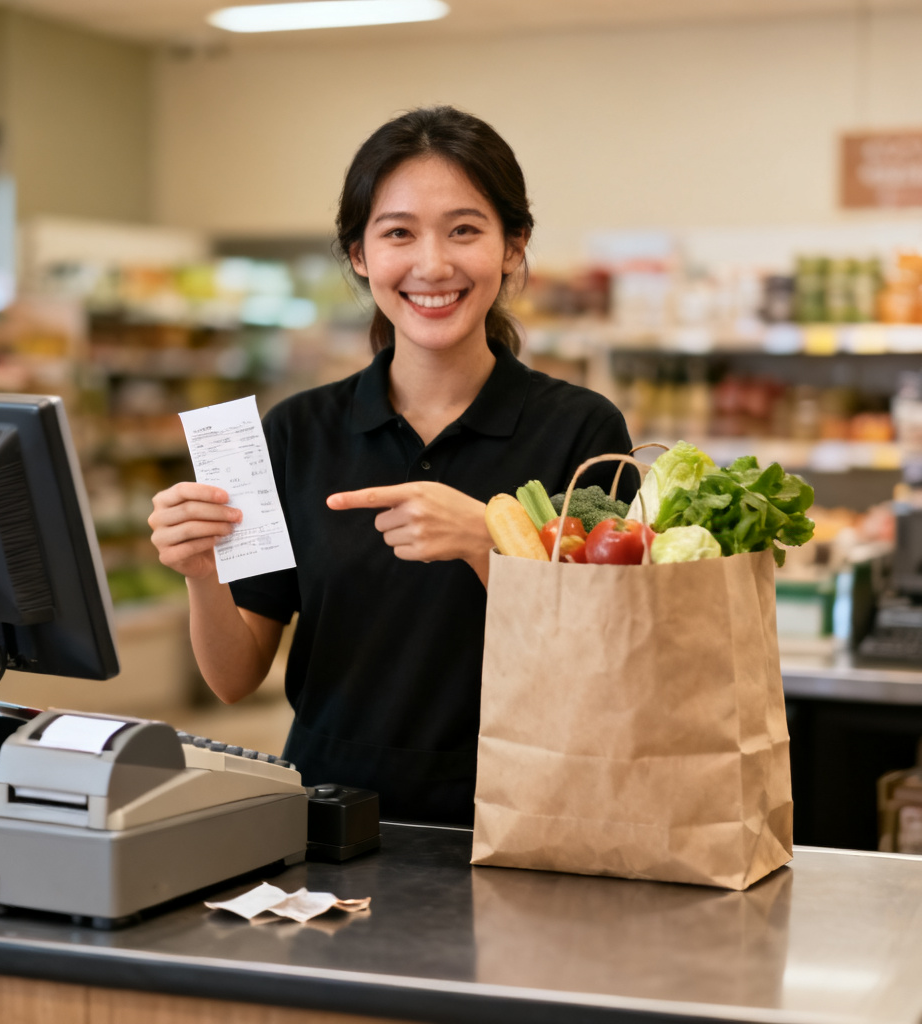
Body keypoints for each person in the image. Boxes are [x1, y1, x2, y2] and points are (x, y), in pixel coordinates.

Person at [148, 105, 635, 825]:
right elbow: (233, 677)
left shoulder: (583, 429)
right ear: (359, 254)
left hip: (524, 815)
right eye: (398, 233)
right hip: (326, 813)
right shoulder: (296, 431)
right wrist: (201, 575)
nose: (432, 265)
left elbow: (607, 660)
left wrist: (486, 541)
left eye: (464, 230)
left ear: (513, 245)